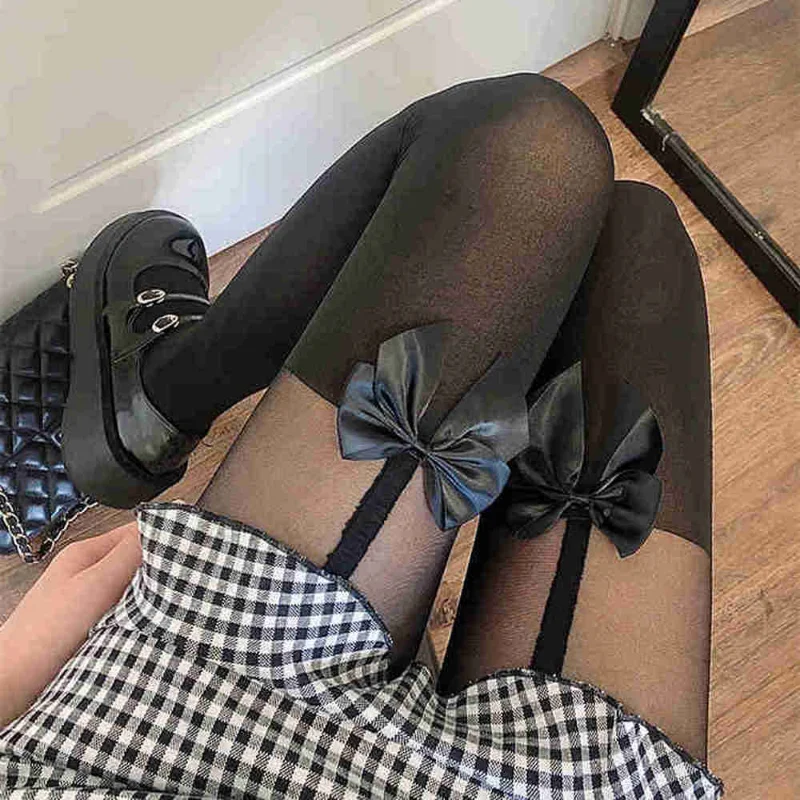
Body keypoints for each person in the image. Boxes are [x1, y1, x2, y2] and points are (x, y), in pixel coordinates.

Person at [0, 73, 721, 798]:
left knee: (527, 142)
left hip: (205, 751)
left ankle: (162, 397)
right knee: (635, 238)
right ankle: (153, 411)